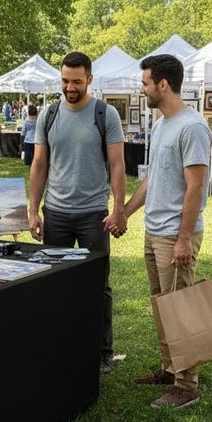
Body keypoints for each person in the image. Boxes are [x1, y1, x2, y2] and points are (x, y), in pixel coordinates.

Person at [28, 51, 127, 375]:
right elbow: (39, 164)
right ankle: (58, 344)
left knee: (98, 285)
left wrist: (119, 209)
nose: (69, 87)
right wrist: (33, 211)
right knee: (53, 283)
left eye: (76, 81)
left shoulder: (105, 113)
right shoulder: (50, 114)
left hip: (93, 215)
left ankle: (102, 352)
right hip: (55, 212)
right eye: (65, 81)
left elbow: (117, 165)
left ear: (89, 79)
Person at [123, 53, 212, 409]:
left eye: (145, 83)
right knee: (163, 306)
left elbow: (195, 187)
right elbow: (152, 180)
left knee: (181, 308)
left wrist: (183, 239)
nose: (142, 89)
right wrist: (126, 213)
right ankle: (170, 367)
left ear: (163, 84)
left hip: (175, 235)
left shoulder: (192, 128)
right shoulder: (161, 125)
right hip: (153, 231)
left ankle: (186, 385)